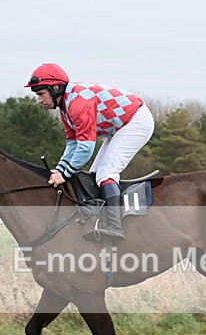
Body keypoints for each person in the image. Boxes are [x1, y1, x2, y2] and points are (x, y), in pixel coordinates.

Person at [25, 63, 155, 241]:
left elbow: (85, 148)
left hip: (136, 122)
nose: (39, 100)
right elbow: (72, 144)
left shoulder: (77, 104)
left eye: (41, 94)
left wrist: (64, 174)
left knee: (106, 173)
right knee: (93, 176)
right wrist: (59, 169)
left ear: (55, 88)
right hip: (119, 127)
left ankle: (115, 227)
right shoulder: (65, 108)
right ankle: (101, 221)